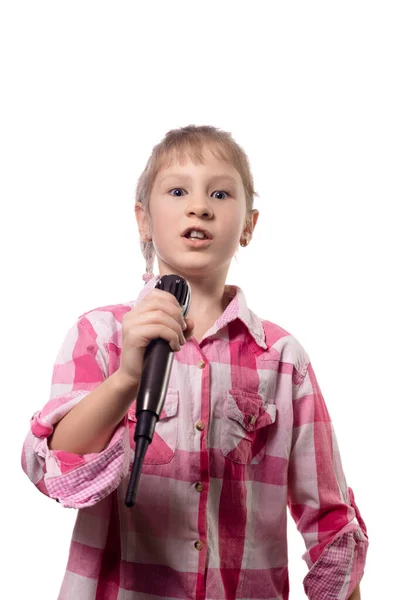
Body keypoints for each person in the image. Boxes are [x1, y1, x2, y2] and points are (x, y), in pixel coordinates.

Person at [21, 125, 368, 600]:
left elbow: (328, 516)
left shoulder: (283, 359)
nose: (199, 205)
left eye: (221, 193)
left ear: (249, 225)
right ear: (143, 220)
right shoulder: (100, 335)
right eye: (178, 190)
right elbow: (56, 471)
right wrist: (127, 378)